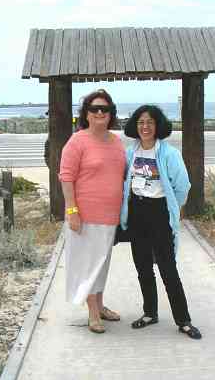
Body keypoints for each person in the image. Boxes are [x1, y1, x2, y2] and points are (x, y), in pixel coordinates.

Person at [120, 104, 202, 340]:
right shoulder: (130, 152)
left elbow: (182, 187)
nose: (145, 127)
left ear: (158, 126)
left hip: (159, 212)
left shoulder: (169, 154)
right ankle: (150, 313)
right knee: (143, 266)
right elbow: (124, 181)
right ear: (136, 126)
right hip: (136, 212)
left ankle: (183, 320)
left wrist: (171, 209)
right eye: (141, 122)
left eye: (150, 122)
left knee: (168, 268)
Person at [59, 89, 126, 334]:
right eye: (95, 109)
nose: (100, 112)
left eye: (105, 109)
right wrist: (72, 210)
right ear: (86, 114)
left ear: (111, 114)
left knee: (102, 264)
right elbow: (66, 178)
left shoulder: (116, 142)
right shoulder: (77, 141)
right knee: (88, 265)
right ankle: (93, 313)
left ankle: (99, 303)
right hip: (85, 216)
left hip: (111, 217)